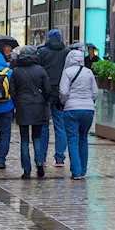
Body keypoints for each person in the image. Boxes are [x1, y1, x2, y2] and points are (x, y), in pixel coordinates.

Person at [11, 45, 52, 179]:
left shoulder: (16, 71)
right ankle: (39, 163)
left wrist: (18, 101)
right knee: (37, 137)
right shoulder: (40, 70)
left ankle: (26, 170)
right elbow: (47, 90)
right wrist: (44, 100)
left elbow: (12, 92)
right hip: (38, 106)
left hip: (23, 106)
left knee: (24, 140)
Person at [59, 48, 98, 180]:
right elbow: (95, 92)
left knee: (72, 140)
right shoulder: (89, 72)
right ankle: (83, 170)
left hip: (71, 109)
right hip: (88, 109)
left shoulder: (67, 72)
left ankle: (76, 172)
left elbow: (63, 92)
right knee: (83, 139)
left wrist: (65, 103)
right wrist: (89, 103)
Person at [37, 29, 71, 167]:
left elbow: (38, 70)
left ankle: (42, 156)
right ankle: (59, 158)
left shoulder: (43, 52)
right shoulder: (66, 52)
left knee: (44, 126)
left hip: (45, 93)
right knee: (60, 126)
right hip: (61, 92)